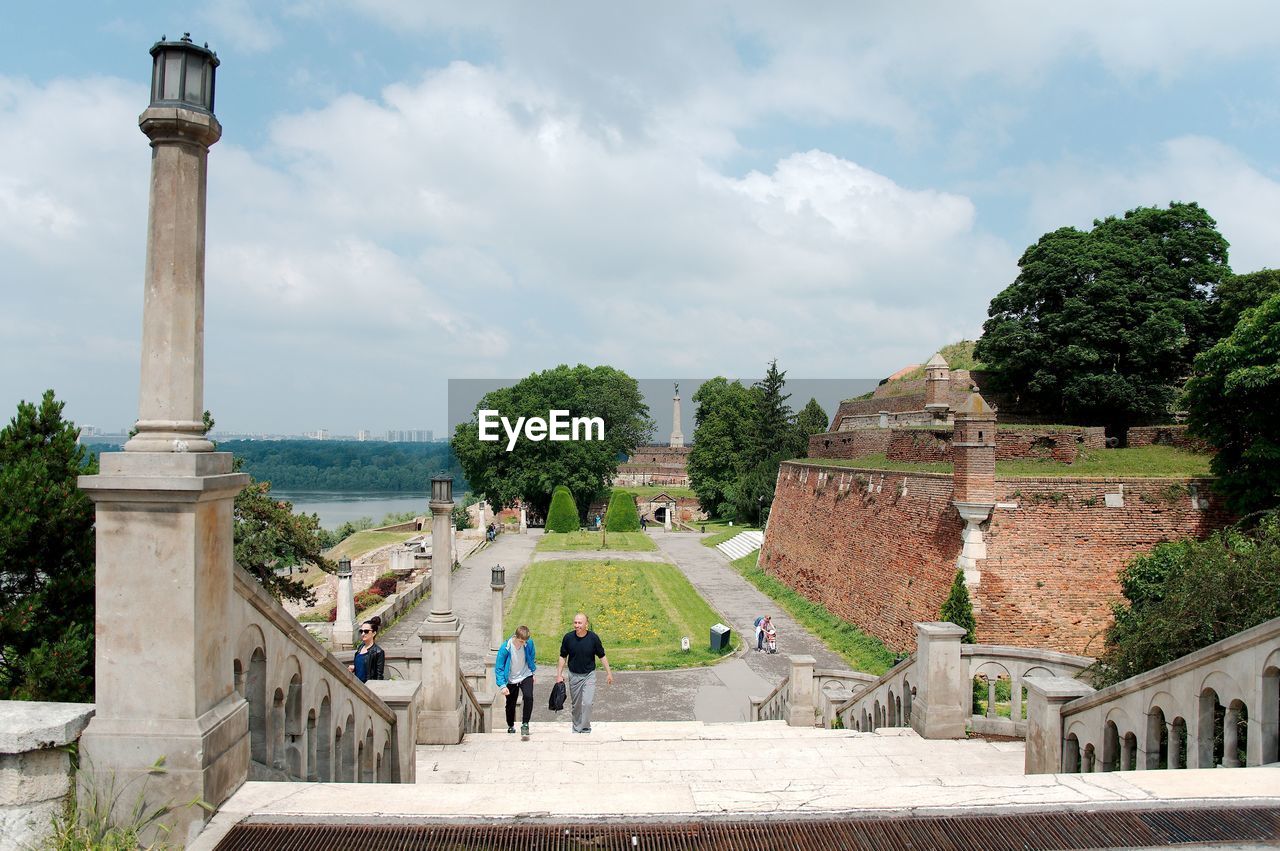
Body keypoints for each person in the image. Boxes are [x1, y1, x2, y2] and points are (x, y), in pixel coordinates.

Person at [556, 612, 613, 733]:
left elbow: (602, 656)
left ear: (586, 624)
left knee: (587, 703)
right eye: (575, 622)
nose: (577, 625)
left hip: (589, 675)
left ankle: (585, 727)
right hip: (574, 675)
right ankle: (576, 728)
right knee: (576, 705)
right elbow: (563, 656)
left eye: (579, 623)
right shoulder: (568, 638)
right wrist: (559, 675)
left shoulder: (593, 638)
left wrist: (609, 673)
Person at [495, 625, 537, 736]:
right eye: (521, 641)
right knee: (510, 704)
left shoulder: (529, 643)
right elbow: (499, 667)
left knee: (529, 697)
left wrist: (532, 672)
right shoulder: (505, 648)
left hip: (525, 675)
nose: (523, 643)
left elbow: (531, 657)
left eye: (525, 641)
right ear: (515, 637)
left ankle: (525, 723)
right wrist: (502, 685)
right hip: (511, 679)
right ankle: (510, 725)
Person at [348, 616, 385, 682]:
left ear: (374, 633)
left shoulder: (378, 652)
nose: (363, 634)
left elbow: (379, 676)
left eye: (366, 631)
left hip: (368, 687)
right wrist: (354, 668)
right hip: (357, 685)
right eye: (361, 631)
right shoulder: (360, 647)